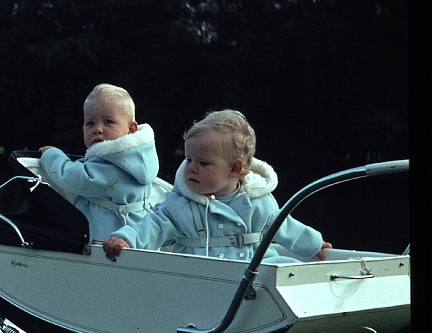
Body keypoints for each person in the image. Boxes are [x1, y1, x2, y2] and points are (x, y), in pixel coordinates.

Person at [103, 109, 332, 263]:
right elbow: (153, 224)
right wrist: (126, 238)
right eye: (189, 159)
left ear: (234, 169)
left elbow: (284, 226)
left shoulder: (259, 201)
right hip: (198, 274)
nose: (191, 168)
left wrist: (313, 243)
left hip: (251, 269)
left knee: (287, 270)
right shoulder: (181, 204)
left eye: (203, 163)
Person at [37, 83, 162, 242]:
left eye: (108, 121)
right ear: (83, 129)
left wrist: (52, 156)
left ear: (131, 129)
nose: (98, 129)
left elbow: (74, 177)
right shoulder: (136, 160)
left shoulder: (113, 167)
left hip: (112, 245)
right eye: (90, 123)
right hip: (138, 239)